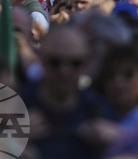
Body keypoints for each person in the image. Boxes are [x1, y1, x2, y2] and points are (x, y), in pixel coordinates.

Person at [19, 25, 115, 158]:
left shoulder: (98, 109)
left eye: (75, 63)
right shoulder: (17, 104)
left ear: (85, 64)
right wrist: (13, 139)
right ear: (41, 60)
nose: (64, 71)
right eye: (55, 62)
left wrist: (119, 140)